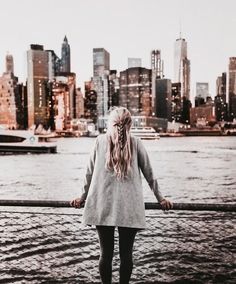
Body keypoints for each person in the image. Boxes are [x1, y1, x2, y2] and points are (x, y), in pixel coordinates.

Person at [71, 107, 172, 284]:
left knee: (105, 255)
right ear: (130, 124)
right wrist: (161, 199)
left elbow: (88, 172)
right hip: (129, 206)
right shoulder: (137, 143)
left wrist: (82, 197)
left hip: (103, 204)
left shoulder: (100, 141)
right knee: (127, 256)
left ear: (110, 124)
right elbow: (150, 174)